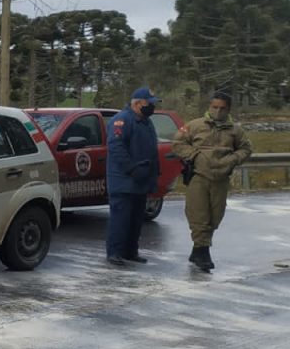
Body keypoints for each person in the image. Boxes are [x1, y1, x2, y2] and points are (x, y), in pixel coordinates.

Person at [171, 92, 253, 270]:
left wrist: (233, 159)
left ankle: (198, 248)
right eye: (214, 107)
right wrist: (195, 155)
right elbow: (177, 144)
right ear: (209, 107)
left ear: (228, 109)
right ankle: (202, 252)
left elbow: (246, 148)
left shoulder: (235, 130)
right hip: (199, 176)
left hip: (221, 178)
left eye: (222, 108)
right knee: (198, 214)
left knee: (215, 216)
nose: (218, 111)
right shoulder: (195, 125)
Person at [105, 87, 161, 266]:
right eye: (149, 104)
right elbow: (116, 148)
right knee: (121, 219)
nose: (152, 107)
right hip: (124, 180)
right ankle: (115, 252)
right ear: (137, 103)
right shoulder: (122, 120)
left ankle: (130, 251)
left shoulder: (146, 122)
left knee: (136, 220)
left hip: (141, 180)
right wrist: (131, 169)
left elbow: (152, 150)